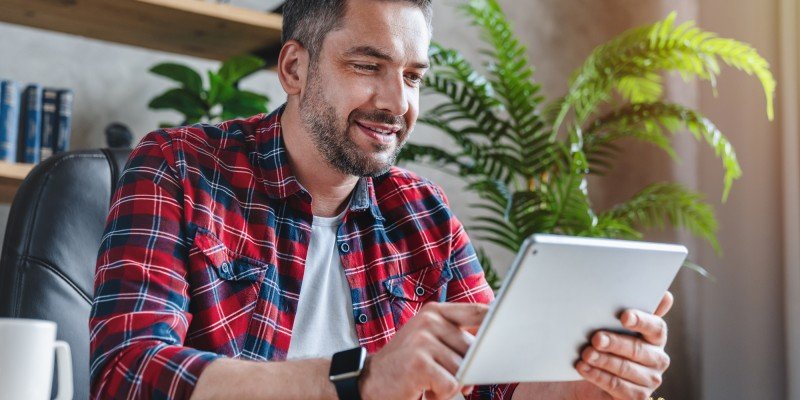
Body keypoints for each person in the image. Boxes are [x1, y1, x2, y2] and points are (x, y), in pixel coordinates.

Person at [89, 0, 673, 399]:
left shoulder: (424, 214)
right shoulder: (180, 166)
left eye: (414, 77)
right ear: (294, 67)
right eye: (368, 65)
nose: (397, 103)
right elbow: (127, 372)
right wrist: (361, 381)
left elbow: (496, 385)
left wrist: (584, 384)